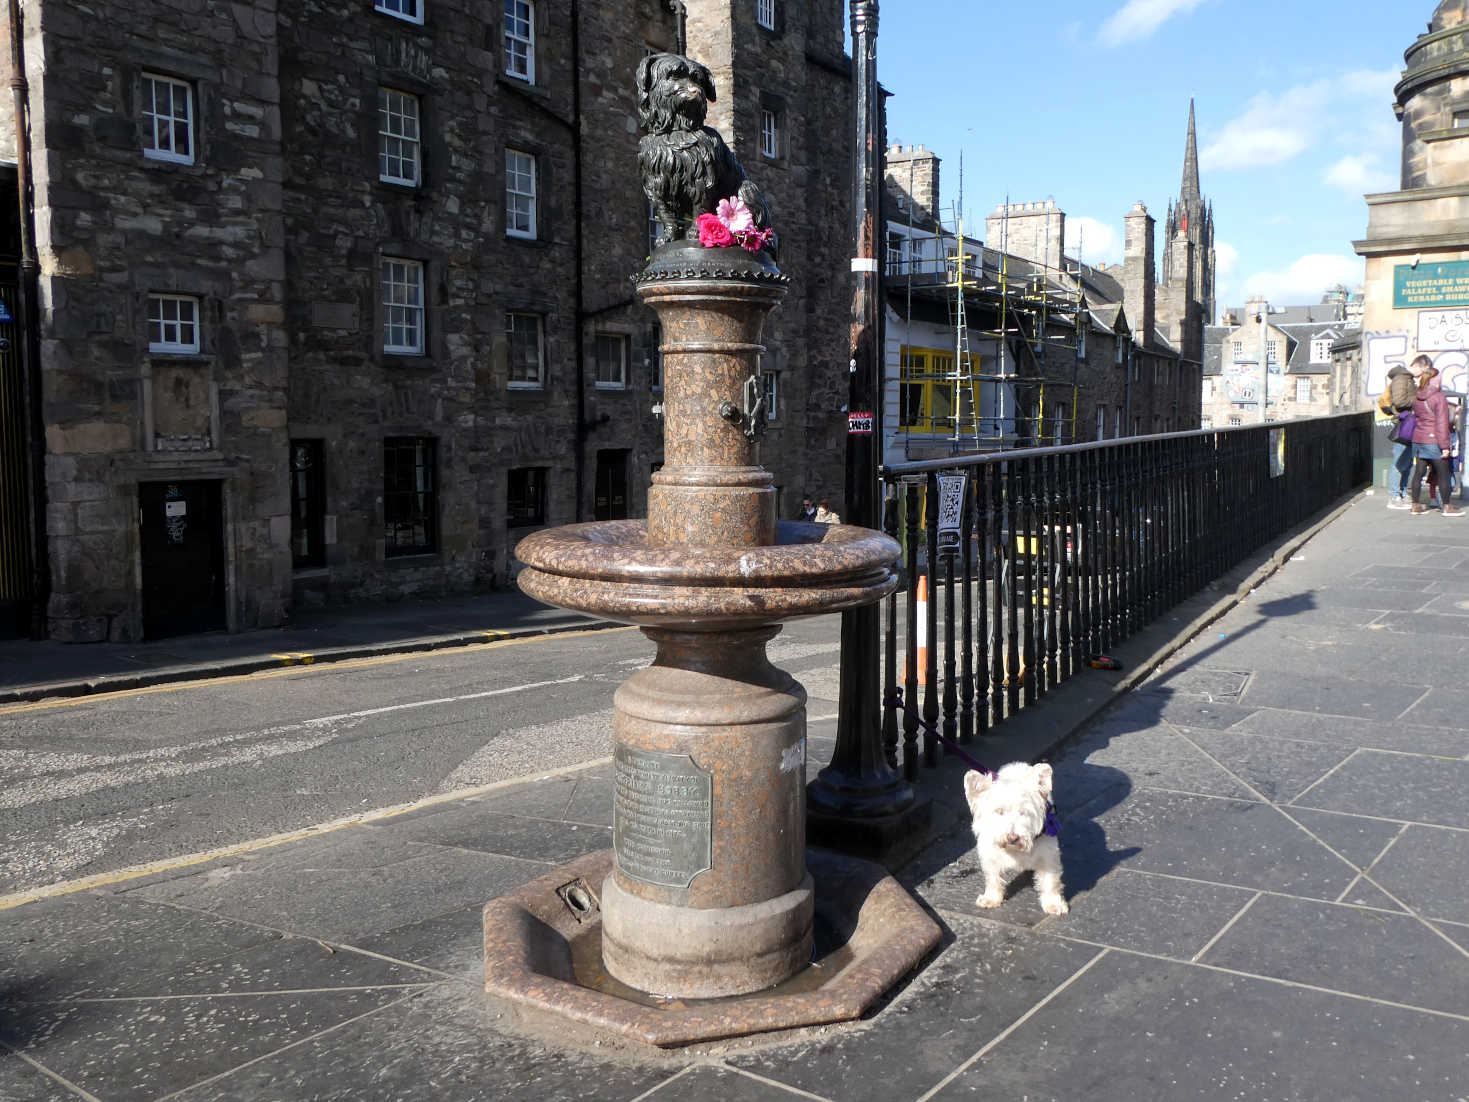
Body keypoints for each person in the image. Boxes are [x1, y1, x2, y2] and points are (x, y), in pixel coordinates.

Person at [1408, 363, 1465, 517]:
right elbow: (1441, 424)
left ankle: (1415, 505)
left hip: (1419, 439)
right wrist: (1445, 446)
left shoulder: (1417, 395)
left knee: (1419, 472)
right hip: (1434, 441)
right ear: (1437, 380)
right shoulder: (1438, 397)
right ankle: (1447, 506)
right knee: (1443, 473)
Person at [1377, 361, 1420, 509]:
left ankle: (1401, 493)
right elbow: (1400, 401)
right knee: (1400, 460)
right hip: (1405, 423)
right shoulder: (1402, 379)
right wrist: (1418, 400)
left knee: (1406, 461)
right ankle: (1395, 495)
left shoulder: (1405, 379)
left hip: (1408, 423)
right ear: (1416, 366)